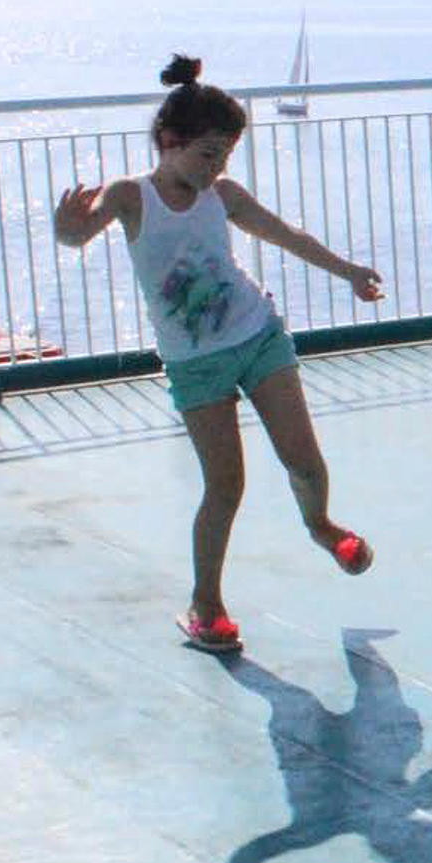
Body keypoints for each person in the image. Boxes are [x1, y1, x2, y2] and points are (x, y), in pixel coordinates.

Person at [52, 55, 383, 653]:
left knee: (305, 463)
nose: (215, 169)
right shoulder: (132, 197)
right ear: (169, 143)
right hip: (196, 364)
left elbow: (289, 236)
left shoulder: (222, 195)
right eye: (207, 155)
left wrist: (350, 272)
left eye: (224, 157)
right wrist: (67, 229)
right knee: (225, 486)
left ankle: (320, 524)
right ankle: (207, 606)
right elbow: (80, 234)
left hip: (258, 337)